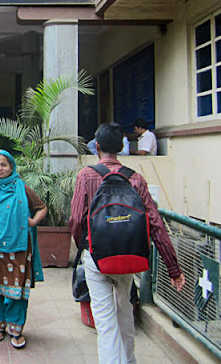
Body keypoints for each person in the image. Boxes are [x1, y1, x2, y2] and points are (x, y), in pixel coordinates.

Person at [70, 123, 184, 363]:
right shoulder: (136, 178)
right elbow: (155, 224)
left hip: (97, 257)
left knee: (105, 320)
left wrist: (85, 247)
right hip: (129, 256)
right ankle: (129, 360)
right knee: (125, 314)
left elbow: (76, 219)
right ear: (122, 147)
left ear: (97, 146)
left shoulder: (87, 175)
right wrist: (173, 267)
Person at [0, 150, 47, 349]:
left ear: (11, 167)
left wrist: (32, 221)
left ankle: (16, 328)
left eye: (3, 165)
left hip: (18, 247)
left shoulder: (21, 188)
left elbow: (42, 207)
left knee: (16, 288)